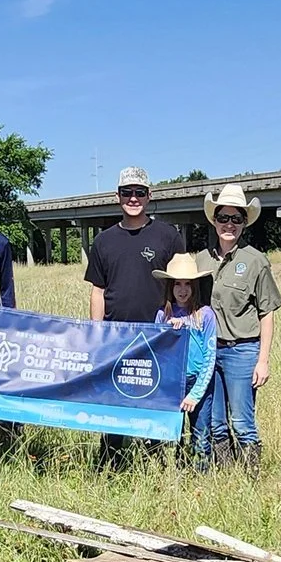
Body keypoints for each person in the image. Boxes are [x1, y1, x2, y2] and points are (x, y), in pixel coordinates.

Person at [85, 166, 183, 460]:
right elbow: (98, 291)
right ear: (117, 196)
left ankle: (154, 458)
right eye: (127, 192)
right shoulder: (103, 241)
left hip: (157, 336)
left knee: (154, 398)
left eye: (139, 192)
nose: (133, 198)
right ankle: (111, 458)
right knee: (114, 399)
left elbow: (181, 285)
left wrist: (176, 322)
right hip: (115, 335)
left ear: (149, 195)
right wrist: (97, 332)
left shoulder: (168, 236)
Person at [200, 183, 281, 467]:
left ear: (245, 222)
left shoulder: (256, 261)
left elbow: (267, 313)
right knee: (216, 422)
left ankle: (250, 476)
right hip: (209, 352)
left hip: (242, 351)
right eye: (223, 217)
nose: (229, 224)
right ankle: (226, 473)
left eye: (236, 218)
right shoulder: (201, 259)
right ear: (214, 220)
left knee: (242, 421)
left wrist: (263, 361)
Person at [153, 252, 220, 466]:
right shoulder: (162, 315)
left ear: (195, 286)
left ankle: (201, 474)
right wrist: (168, 331)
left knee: (201, 434)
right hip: (171, 383)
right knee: (173, 434)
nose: (183, 290)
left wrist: (196, 393)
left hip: (197, 382)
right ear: (170, 287)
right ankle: (175, 471)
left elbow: (210, 355)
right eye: (177, 284)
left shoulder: (205, 314)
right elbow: (157, 352)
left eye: (188, 284)